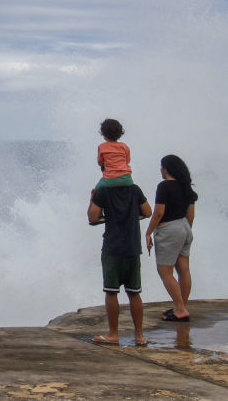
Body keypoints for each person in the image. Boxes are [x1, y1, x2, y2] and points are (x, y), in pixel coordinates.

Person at [88, 179, 152, 346]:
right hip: (132, 247)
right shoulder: (134, 189)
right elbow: (148, 211)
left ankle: (113, 334)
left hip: (113, 248)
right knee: (134, 292)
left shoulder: (103, 191)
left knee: (111, 292)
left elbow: (93, 217)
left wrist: (93, 198)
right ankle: (139, 335)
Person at [144, 154, 198, 322]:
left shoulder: (165, 186)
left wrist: (148, 232)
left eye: (161, 167)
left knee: (164, 271)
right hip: (184, 226)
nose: (160, 170)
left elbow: (159, 212)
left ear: (166, 169)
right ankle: (181, 306)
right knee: (183, 269)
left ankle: (180, 310)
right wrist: (185, 230)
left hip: (169, 229)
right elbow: (191, 214)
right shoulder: (185, 187)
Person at [95, 118, 132, 191]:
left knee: (95, 191)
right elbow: (127, 161)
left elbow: (100, 162)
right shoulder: (124, 146)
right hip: (127, 179)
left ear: (103, 133)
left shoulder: (102, 147)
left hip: (110, 179)